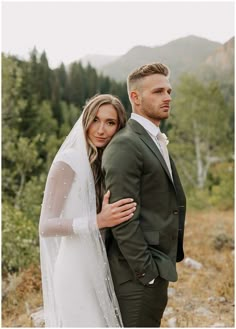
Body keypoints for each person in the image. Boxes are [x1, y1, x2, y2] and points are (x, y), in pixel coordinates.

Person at [39, 94, 137, 327]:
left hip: (102, 267)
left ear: (119, 127)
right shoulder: (68, 161)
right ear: (85, 121)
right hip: (75, 269)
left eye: (110, 123)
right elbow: (46, 226)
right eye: (95, 120)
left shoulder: (105, 164)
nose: (101, 129)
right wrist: (98, 221)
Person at [102, 63, 186, 327]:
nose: (167, 97)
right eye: (158, 91)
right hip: (136, 275)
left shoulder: (152, 138)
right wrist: (146, 273)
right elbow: (123, 218)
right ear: (135, 98)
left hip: (156, 266)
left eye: (169, 91)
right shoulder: (127, 144)